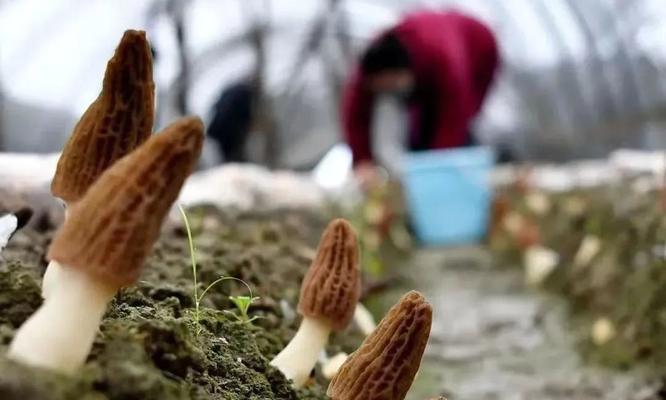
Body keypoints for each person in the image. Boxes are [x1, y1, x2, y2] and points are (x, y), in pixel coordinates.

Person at [341, 10, 500, 187]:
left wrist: (436, 171)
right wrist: (363, 159)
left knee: (453, 133)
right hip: (433, 54)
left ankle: (460, 182)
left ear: (403, 72)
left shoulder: (444, 61)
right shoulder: (373, 59)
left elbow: (454, 116)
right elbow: (354, 111)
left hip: (478, 52)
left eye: (392, 86)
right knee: (417, 132)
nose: (390, 94)